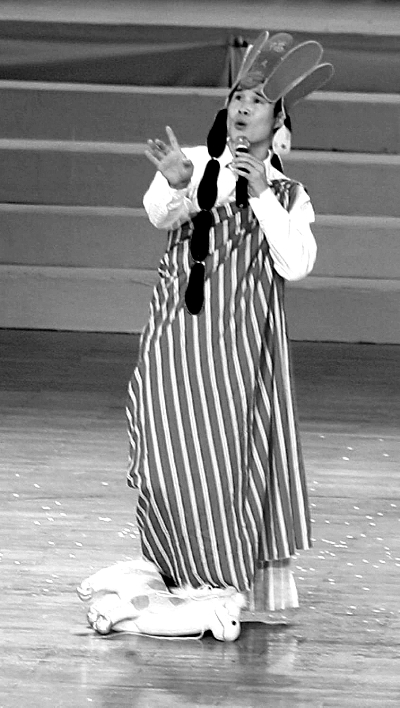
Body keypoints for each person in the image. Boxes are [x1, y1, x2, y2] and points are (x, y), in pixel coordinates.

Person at [77, 31, 333, 640]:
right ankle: (173, 564)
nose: (243, 106)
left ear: (278, 121)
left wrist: (263, 195)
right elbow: (159, 215)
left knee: (222, 458)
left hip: (237, 344)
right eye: (238, 95)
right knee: (164, 447)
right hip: (178, 331)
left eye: (258, 101)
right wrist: (176, 182)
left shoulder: (289, 194)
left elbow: (296, 263)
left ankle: (215, 578)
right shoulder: (196, 162)